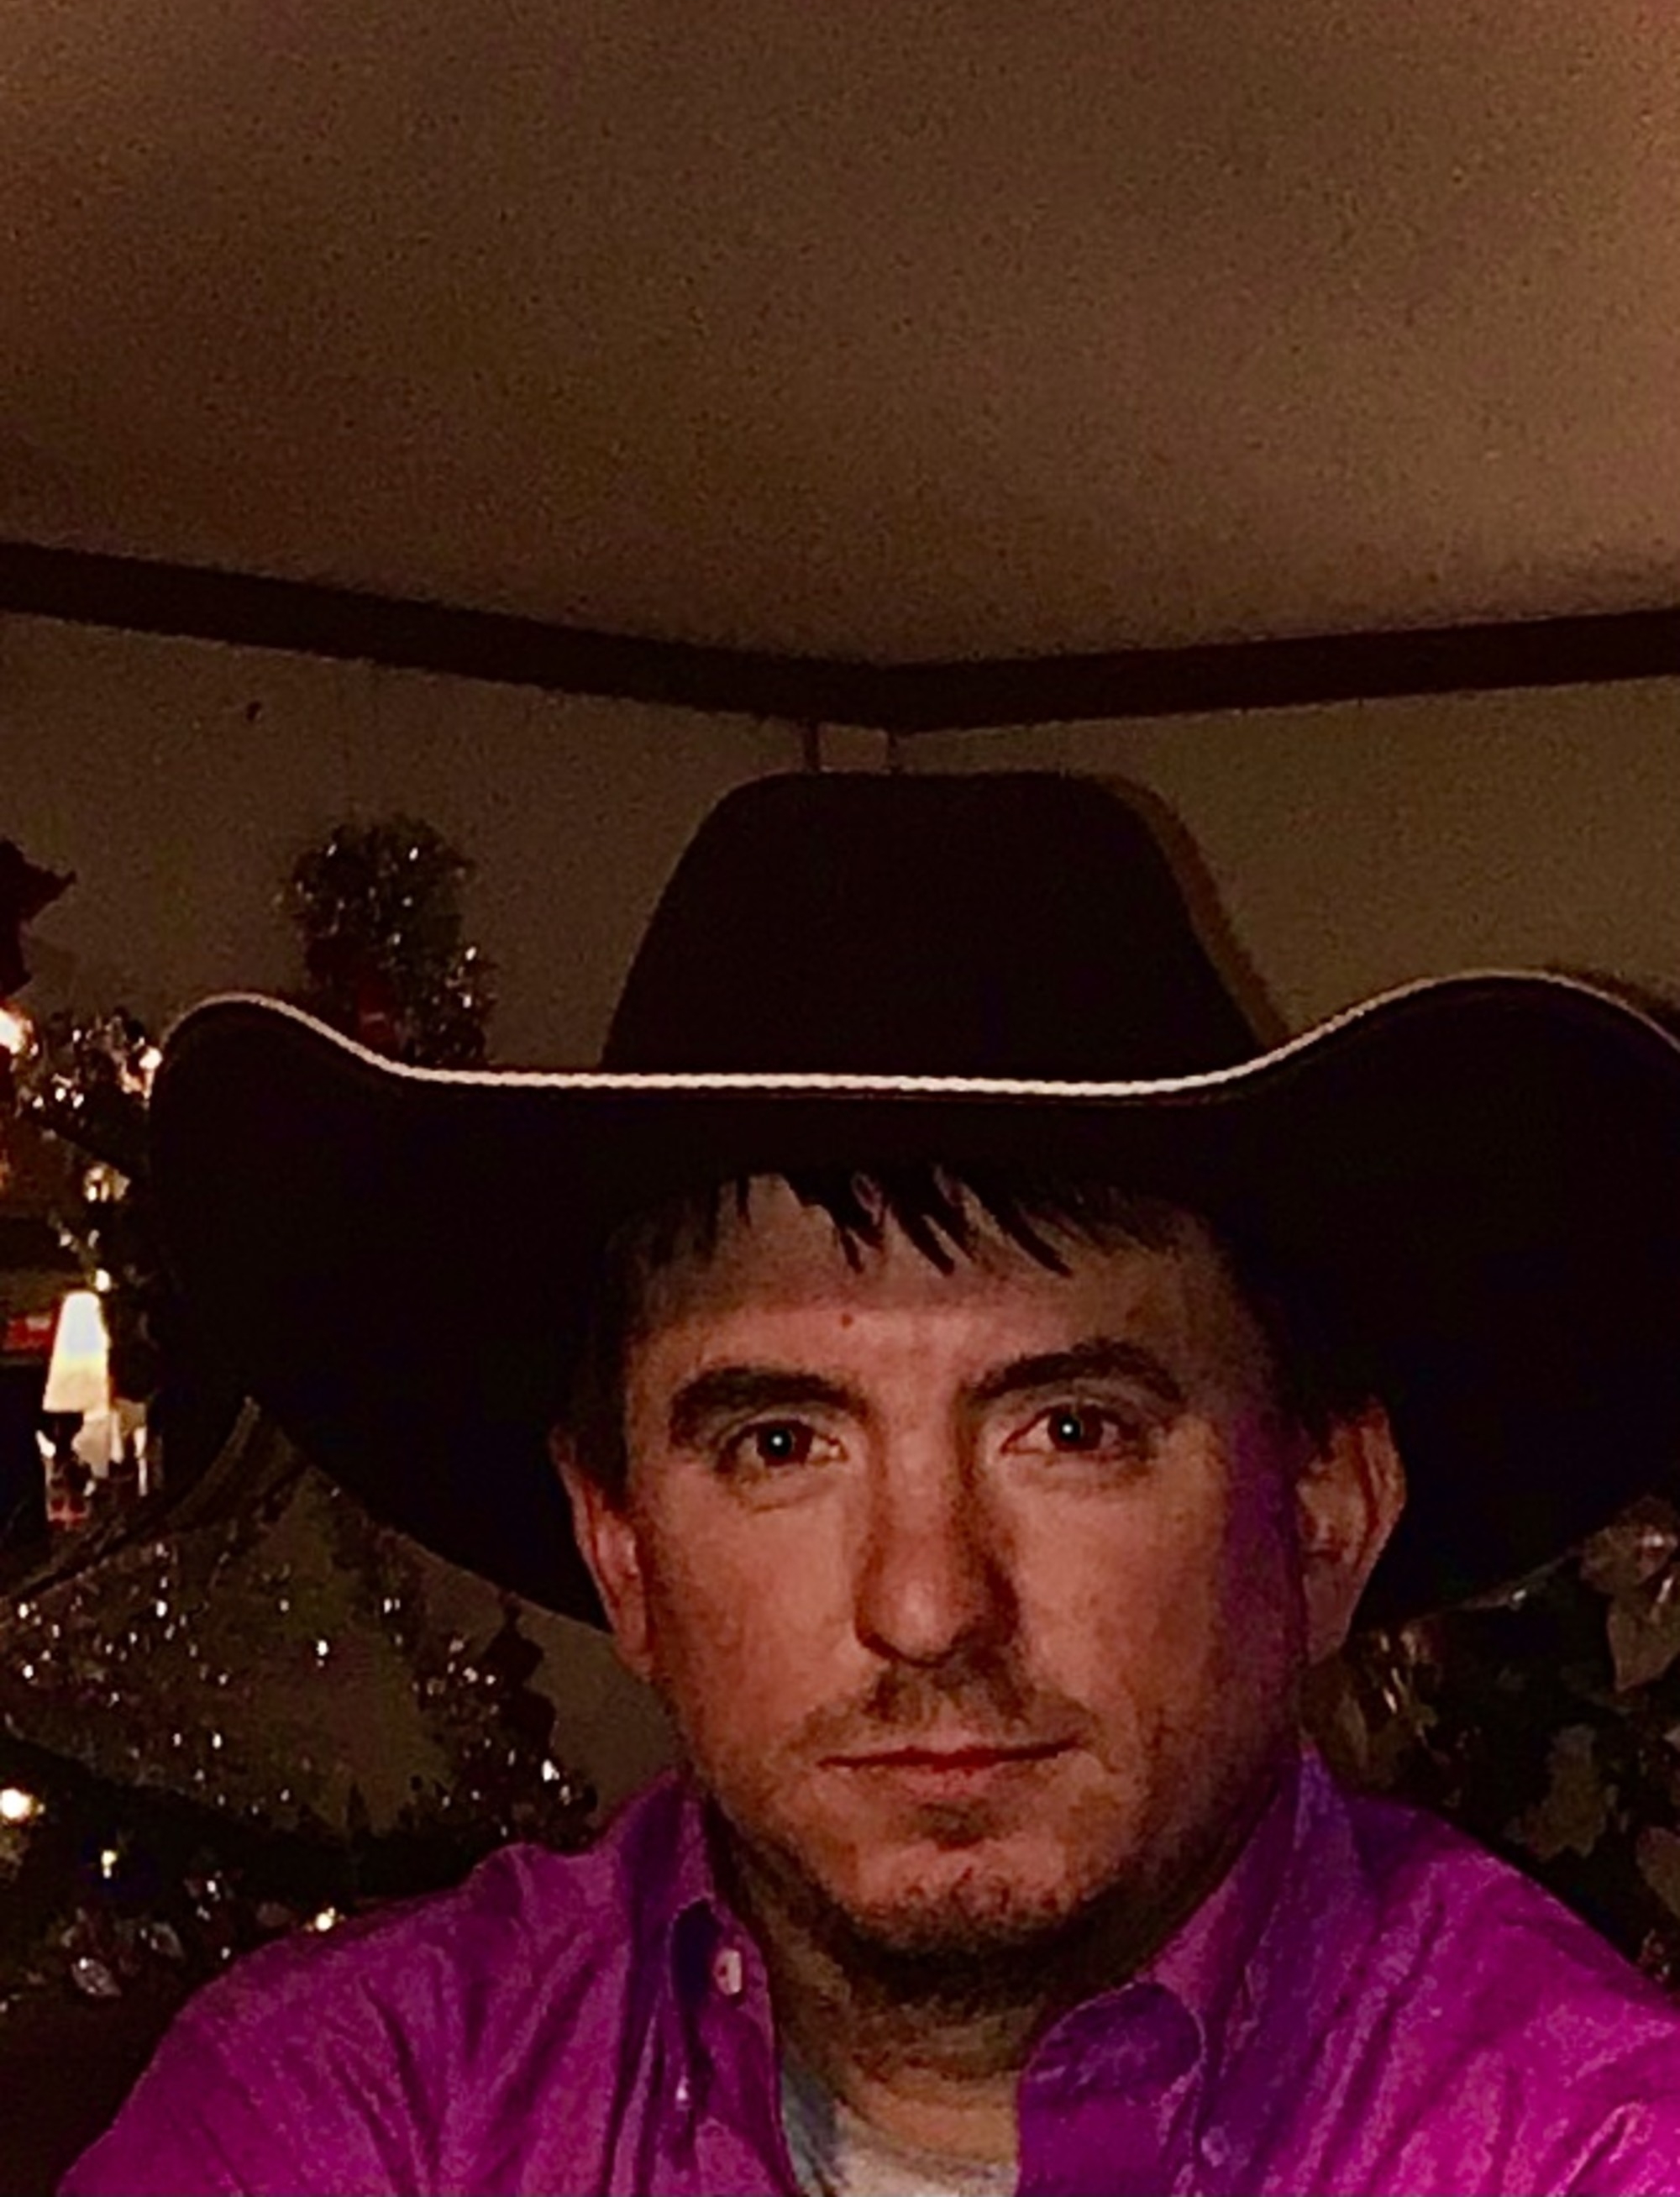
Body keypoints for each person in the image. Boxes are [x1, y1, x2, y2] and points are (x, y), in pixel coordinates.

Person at [60, 772, 1680, 2197]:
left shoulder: (1590, 2146)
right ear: (619, 1548)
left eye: (1071, 1432)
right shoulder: (350, 2114)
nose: (925, 1607)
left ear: (1323, 1514)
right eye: (780, 1446)